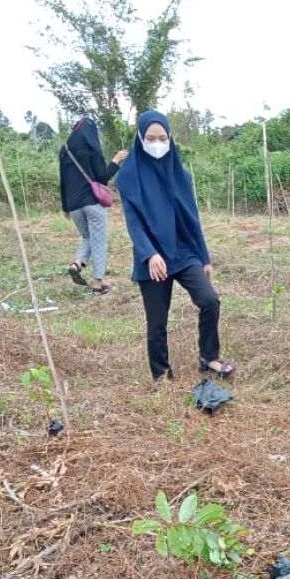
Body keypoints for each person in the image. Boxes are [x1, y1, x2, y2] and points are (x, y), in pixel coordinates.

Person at [116, 111, 235, 383]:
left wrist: (204, 256)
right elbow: (133, 223)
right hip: (152, 257)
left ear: (170, 138)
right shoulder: (128, 177)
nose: (157, 143)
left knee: (209, 300)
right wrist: (149, 254)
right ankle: (160, 373)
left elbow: (192, 217)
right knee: (157, 321)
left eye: (162, 138)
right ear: (140, 138)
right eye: (150, 138)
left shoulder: (180, 174)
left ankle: (209, 357)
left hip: (183, 251)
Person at [59, 118, 127, 295]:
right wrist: (117, 159)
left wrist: (65, 206)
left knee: (88, 237)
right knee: (99, 240)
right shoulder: (92, 147)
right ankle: (98, 284)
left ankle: (77, 264)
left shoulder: (64, 149)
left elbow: (63, 181)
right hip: (92, 203)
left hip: (74, 206)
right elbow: (102, 178)